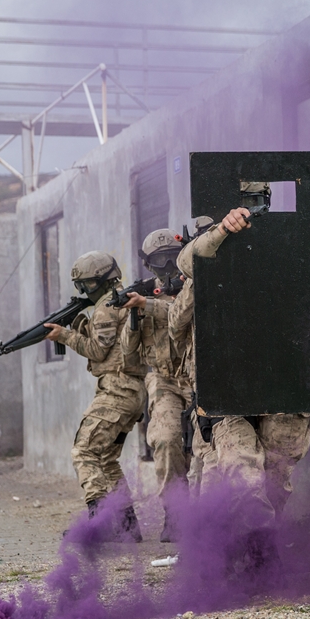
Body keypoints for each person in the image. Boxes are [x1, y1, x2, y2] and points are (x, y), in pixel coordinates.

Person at [168, 185, 310, 535]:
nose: (248, 209)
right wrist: (222, 232)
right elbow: (184, 274)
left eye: (255, 202)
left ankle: (259, 548)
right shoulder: (208, 253)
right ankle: (242, 552)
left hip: (278, 386)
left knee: (275, 480)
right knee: (237, 474)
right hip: (225, 388)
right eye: (242, 202)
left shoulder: (288, 247)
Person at [44, 250, 144, 541]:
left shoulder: (105, 309)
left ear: (101, 281)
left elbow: (98, 351)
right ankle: (128, 527)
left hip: (117, 389)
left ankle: (99, 523)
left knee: (84, 451)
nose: (84, 291)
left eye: (87, 285)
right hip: (132, 390)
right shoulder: (122, 301)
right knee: (108, 458)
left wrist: (64, 335)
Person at [117, 228, 195, 542]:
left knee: (206, 451)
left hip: (198, 377)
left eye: (171, 258)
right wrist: (134, 314)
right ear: (149, 265)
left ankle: (209, 515)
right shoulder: (146, 293)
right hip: (164, 380)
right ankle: (175, 513)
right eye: (159, 261)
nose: (167, 267)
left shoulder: (192, 285)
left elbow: (180, 315)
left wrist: (148, 305)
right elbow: (126, 351)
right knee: (165, 439)